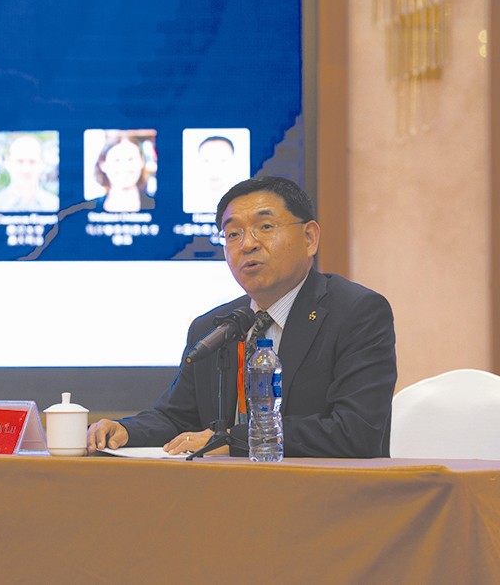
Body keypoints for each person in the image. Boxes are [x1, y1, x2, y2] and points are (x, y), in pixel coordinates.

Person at [87, 175, 397, 458]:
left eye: (266, 227)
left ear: (309, 238)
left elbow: (356, 431)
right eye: (233, 233)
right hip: (223, 494)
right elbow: (177, 418)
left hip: (320, 493)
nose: (247, 244)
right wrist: (126, 431)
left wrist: (235, 440)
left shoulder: (357, 313)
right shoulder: (213, 327)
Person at [0, 133, 59, 212]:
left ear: (43, 163)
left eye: (32, 162)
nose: (26, 169)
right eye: (19, 161)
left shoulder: (55, 205)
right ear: (7, 162)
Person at [92, 132, 154, 212]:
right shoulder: (86, 209)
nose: (124, 167)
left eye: (130, 159)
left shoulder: (159, 206)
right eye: (117, 160)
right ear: (103, 165)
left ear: (142, 161)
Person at [184, 135, 238, 213]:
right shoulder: (190, 199)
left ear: (233, 163)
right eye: (207, 161)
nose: (215, 168)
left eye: (222, 161)